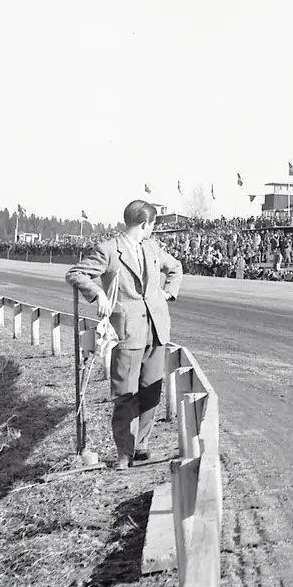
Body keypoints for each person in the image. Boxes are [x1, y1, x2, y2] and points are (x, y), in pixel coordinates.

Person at [65, 199, 183, 470]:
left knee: (151, 391)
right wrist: (98, 293)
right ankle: (124, 453)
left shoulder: (153, 247)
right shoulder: (108, 250)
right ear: (145, 224)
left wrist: (168, 293)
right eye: (152, 225)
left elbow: (175, 268)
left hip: (156, 330)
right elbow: (76, 273)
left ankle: (141, 445)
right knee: (125, 393)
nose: (152, 230)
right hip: (127, 332)